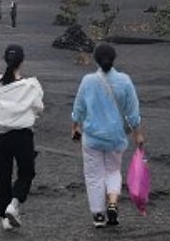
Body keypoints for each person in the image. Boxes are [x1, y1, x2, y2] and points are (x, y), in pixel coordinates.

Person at [71, 43, 144, 229]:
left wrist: (75, 126)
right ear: (114, 59)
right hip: (116, 137)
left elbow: (79, 107)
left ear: (95, 59)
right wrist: (137, 133)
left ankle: (98, 215)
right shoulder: (125, 81)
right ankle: (112, 202)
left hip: (93, 137)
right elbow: (133, 112)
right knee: (113, 171)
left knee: (94, 175)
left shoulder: (88, 81)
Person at [0, 45, 44, 231]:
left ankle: (5, 218)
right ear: (22, 61)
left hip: (0, 136)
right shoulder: (31, 85)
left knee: (1, 176)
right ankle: (14, 204)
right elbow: (39, 107)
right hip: (22, 135)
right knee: (26, 172)